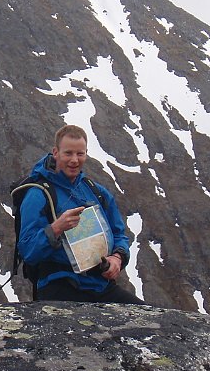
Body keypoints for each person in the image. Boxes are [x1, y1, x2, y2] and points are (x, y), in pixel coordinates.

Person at [17, 124, 144, 303]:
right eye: (68, 153)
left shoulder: (97, 192)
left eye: (80, 154)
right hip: (58, 286)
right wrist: (55, 229)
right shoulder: (38, 194)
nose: (74, 160)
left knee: (151, 324)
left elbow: (118, 234)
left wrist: (118, 258)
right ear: (55, 152)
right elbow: (27, 251)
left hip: (99, 285)